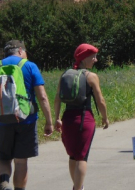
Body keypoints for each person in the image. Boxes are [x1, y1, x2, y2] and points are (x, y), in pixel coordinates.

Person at [54, 43, 109, 190]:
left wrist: (57, 118)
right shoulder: (91, 76)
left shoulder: (65, 74)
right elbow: (100, 100)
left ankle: (77, 186)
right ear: (84, 58)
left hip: (67, 119)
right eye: (93, 57)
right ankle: (78, 188)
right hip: (84, 118)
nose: (96, 60)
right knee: (82, 157)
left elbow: (57, 98)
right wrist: (105, 117)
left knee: (73, 155)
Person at [0, 40, 53, 190]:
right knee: (21, 161)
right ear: (21, 51)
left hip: (2, 121)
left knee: (3, 158)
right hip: (26, 121)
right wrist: (49, 121)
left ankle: (4, 183)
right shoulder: (29, 66)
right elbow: (42, 96)